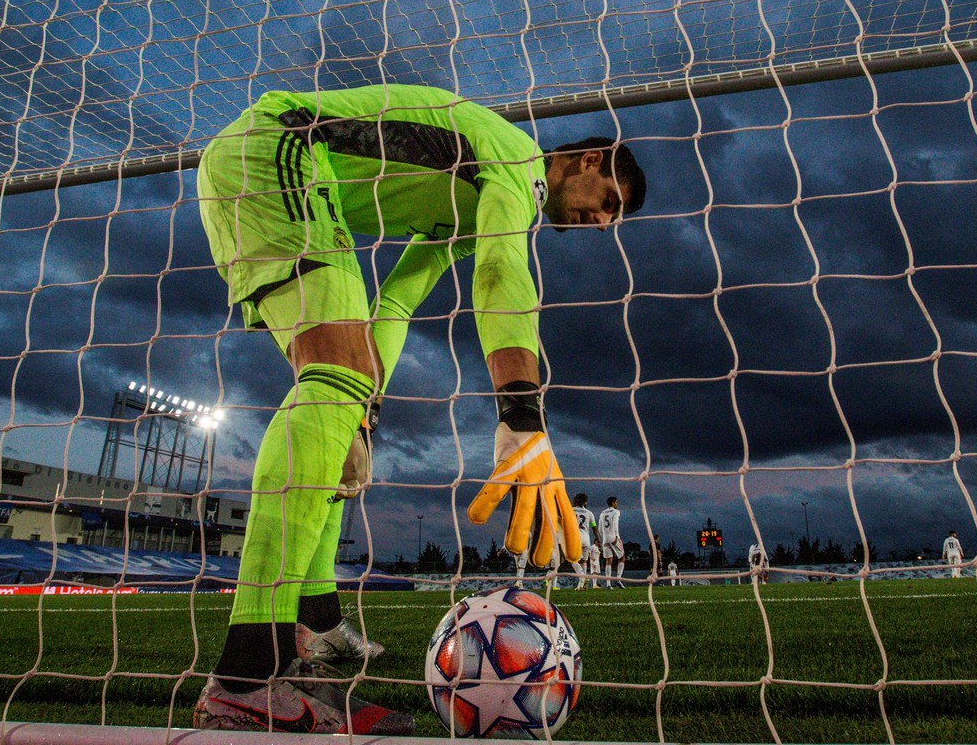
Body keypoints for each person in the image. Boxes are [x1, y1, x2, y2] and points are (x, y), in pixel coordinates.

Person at [191, 83, 646, 734]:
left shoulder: (477, 202)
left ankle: (306, 631)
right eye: (608, 204)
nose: (602, 224)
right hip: (279, 152)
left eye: (613, 221)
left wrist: (367, 413)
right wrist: (522, 417)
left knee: (341, 396)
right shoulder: (515, 164)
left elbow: (399, 300)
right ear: (588, 162)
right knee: (337, 379)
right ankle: (246, 681)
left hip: (300, 188)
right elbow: (500, 275)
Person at [570, 493, 598, 589]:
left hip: (575, 539)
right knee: (584, 562)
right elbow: (594, 527)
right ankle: (581, 585)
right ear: (585, 502)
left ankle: (582, 576)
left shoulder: (571, 511)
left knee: (572, 559)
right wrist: (598, 538)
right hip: (586, 539)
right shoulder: (589, 513)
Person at [598, 497, 625, 588]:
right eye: (616, 502)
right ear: (613, 503)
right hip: (613, 537)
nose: (617, 504)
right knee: (622, 558)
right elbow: (615, 524)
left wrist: (603, 538)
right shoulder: (616, 512)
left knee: (608, 561)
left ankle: (608, 584)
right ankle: (618, 579)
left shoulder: (602, 513)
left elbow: (600, 528)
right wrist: (616, 537)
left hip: (605, 539)